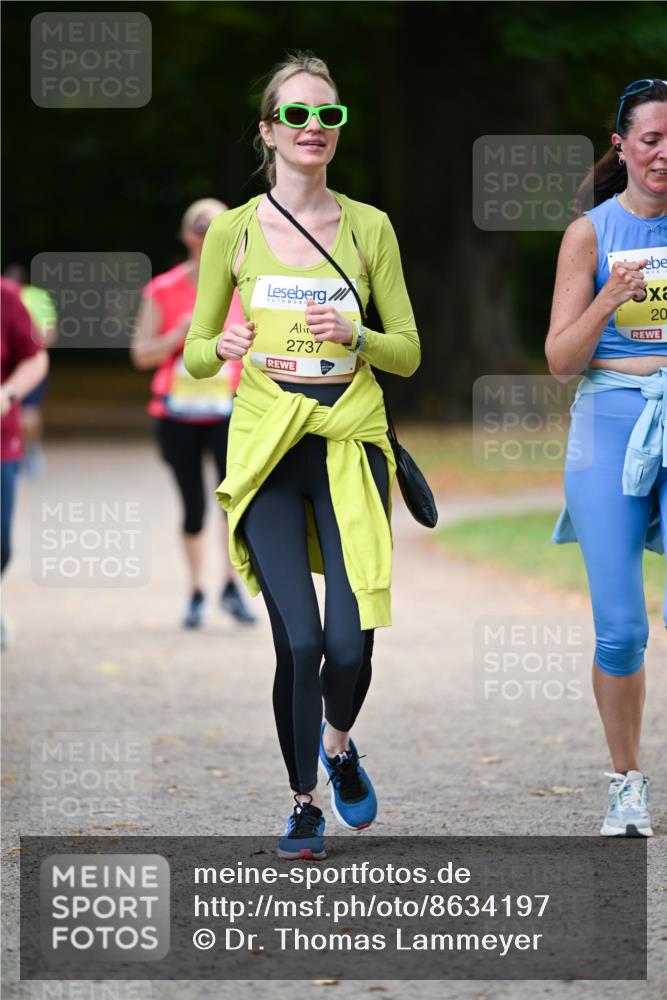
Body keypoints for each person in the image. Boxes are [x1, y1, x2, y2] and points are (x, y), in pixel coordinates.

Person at [184, 53, 420, 859]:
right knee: (301, 643)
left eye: (328, 116)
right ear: (268, 131)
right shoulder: (234, 230)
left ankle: (339, 743)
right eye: (296, 116)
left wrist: (357, 337)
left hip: (348, 445)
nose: (313, 128)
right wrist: (222, 342)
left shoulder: (369, 227)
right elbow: (191, 355)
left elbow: (408, 354)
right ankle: (301, 803)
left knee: (351, 645)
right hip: (268, 449)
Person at [547, 79, 667, 837]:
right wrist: (608, 298)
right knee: (620, 629)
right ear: (621, 145)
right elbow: (560, 358)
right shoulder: (590, 235)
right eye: (651, 138)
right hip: (609, 420)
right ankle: (625, 784)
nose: (663, 153)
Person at [131, 199, 256, 628]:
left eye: (216, 226)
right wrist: (175, 336)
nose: (207, 234)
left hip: (231, 409)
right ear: (186, 234)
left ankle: (229, 586)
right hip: (177, 414)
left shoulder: (248, 287)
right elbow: (140, 355)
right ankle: (198, 592)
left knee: (233, 504)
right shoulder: (162, 290)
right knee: (193, 506)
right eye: (199, 227)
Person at [1, 277, 49, 647]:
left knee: (2, 545)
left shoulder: (6, 296)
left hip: (2, 442)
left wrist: (9, 392)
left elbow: (35, 357)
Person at [2, 263, 58, 479]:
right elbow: (50, 331)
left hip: (22, 363)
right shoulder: (36, 296)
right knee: (30, 413)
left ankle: (27, 452)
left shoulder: (9, 295)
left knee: (27, 414)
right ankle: (30, 451)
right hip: (28, 360)